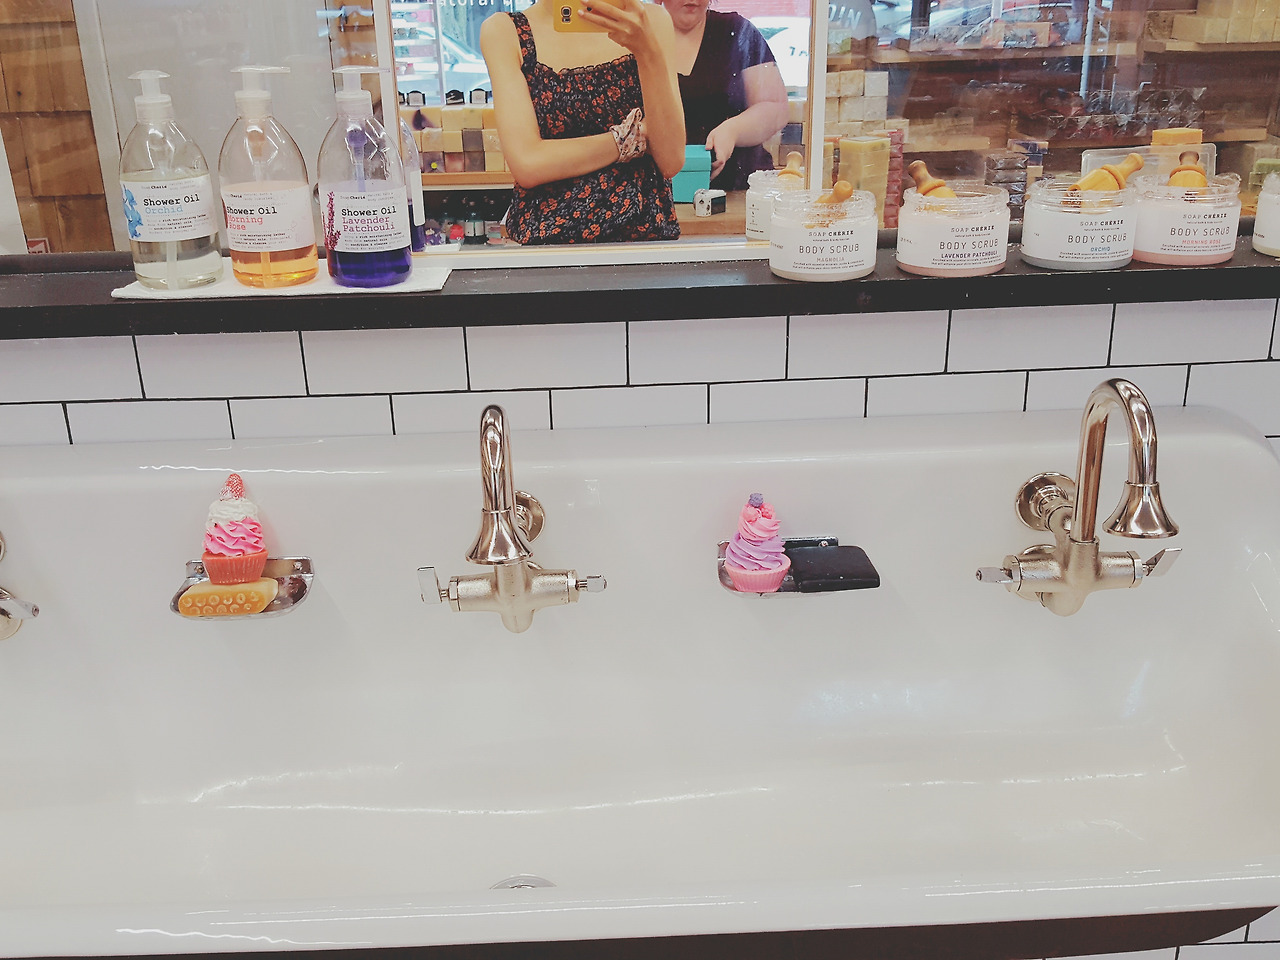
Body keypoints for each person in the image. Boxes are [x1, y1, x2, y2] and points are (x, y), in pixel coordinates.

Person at [480, 0, 686, 244]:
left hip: (642, 239)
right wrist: (629, 138)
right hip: (548, 243)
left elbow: (671, 159)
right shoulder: (505, 32)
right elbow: (528, 164)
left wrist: (647, 50)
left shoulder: (648, 21)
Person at [661, 0, 789, 191]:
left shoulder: (736, 30)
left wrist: (733, 131)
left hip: (739, 186)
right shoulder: (639, 36)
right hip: (659, 190)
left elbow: (775, 107)